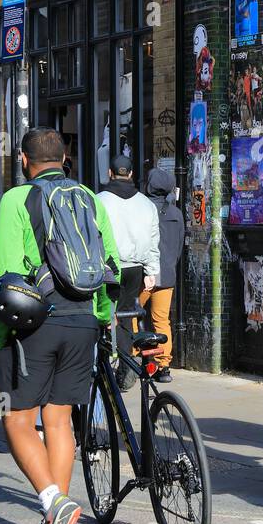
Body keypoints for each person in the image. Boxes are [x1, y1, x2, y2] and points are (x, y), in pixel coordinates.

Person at [0, 127, 121, 524]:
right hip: (84, 321)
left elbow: (5, 276)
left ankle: (54, 502)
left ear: (24, 161)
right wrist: (100, 317)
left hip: (33, 326)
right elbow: (109, 263)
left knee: (17, 420)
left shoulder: (16, 199)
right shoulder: (89, 197)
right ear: (65, 159)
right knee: (60, 420)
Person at [98, 154, 160, 389]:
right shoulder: (146, 203)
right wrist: (151, 271)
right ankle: (126, 366)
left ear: (110, 174)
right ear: (131, 174)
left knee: (103, 315)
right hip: (136, 268)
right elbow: (154, 239)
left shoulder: (99, 200)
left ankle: (106, 364)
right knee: (125, 317)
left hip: (108, 268)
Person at [141, 167, 183, 383]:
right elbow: (178, 247)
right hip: (166, 274)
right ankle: (164, 366)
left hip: (144, 275)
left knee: (130, 316)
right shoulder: (175, 213)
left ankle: (134, 357)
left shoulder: (142, 209)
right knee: (161, 320)